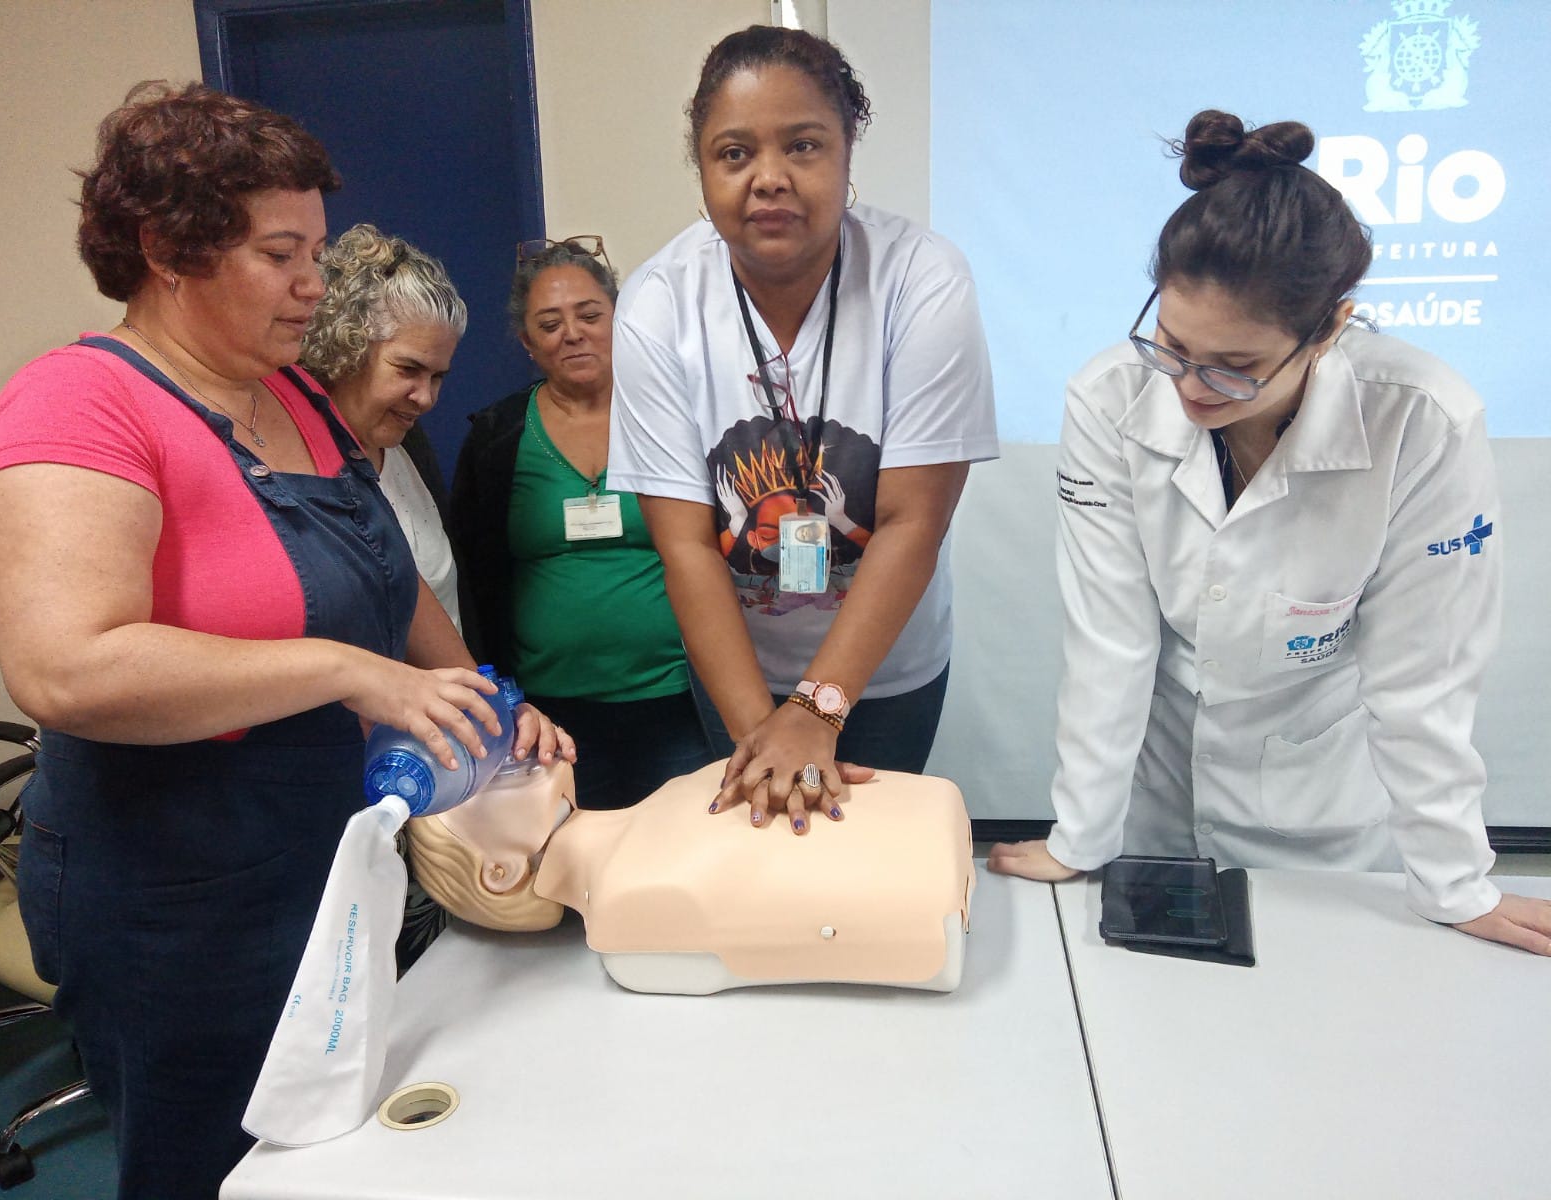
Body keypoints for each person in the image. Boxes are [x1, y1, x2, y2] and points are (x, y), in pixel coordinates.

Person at [0, 82, 573, 1199]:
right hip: (173, 894)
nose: (315, 286)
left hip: (320, 858)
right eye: (282, 254)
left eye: (318, 251)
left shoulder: (291, 395)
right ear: (165, 249)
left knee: (332, 1157)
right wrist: (348, 674)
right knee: (213, 1167)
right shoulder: (77, 406)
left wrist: (485, 698)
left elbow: (387, 584)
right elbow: (67, 666)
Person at [988, 110, 1551, 957]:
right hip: (1157, 797)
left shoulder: (1422, 420)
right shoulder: (1109, 397)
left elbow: (1421, 677)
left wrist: (1454, 883)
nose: (1189, 386)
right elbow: (1112, 638)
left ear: (1328, 329)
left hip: (1324, 814)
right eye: (1172, 347)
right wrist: (1081, 837)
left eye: (1235, 368)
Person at [607, 25, 998, 833]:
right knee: (765, 853)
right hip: (737, 668)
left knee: (862, 862)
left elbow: (913, 520)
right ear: (704, 167)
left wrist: (818, 712)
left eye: (804, 146)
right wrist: (762, 732)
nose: (769, 179)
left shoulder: (921, 281)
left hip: (886, 669)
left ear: (848, 154)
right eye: (735, 153)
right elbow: (683, 544)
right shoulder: (659, 303)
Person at [451, 238, 712, 809]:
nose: (572, 333)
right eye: (549, 324)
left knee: (680, 864)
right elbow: (472, 572)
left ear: (620, 319)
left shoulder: (678, 418)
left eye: (590, 315)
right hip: (547, 716)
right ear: (527, 342)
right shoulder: (497, 437)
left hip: (680, 701)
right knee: (569, 875)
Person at [300, 223, 466, 632]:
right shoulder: (291, 461)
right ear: (347, 345)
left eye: (438, 377)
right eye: (408, 369)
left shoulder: (409, 445)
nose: (425, 398)